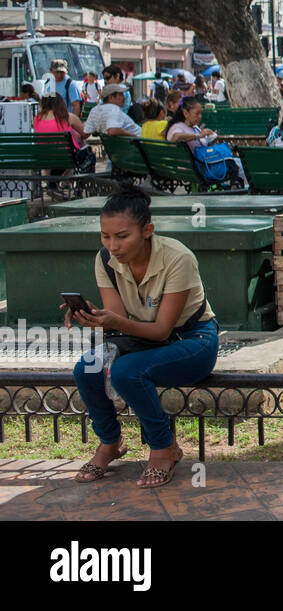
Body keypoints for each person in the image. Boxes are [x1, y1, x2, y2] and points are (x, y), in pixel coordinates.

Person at [68, 186, 219, 488]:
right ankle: (110, 443)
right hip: (142, 339)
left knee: (126, 372)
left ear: (147, 230)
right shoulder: (105, 260)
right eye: (106, 236)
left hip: (192, 340)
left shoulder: (178, 258)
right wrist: (92, 318)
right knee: (86, 368)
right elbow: (118, 320)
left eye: (122, 236)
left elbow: (162, 329)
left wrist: (114, 322)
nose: (113, 245)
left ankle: (164, 449)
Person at [166, 96, 245, 185]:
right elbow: (175, 137)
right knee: (242, 165)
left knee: (239, 162)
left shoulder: (193, 127)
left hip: (203, 165)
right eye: (197, 113)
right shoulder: (177, 127)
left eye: (201, 113)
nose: (200, 116)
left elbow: (201, 142)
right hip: (201, 168)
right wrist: (198, 135)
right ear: (185, 113)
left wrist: (210, 137)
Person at [35, 94, 93, 174]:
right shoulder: (68, 117)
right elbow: (85, 134)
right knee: (89, 154)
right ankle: (78, 183)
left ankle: (54, 182)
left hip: (45, 158)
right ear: (60, 102)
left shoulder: (37, 119)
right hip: (66, 158)